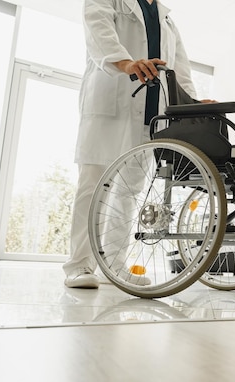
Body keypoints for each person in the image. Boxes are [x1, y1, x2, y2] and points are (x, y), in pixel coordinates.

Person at [63, 0, 200, 289]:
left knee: (129, 191)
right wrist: (126, 63)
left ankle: (114, 265)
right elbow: (99, 33)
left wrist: (195, 104)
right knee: (92, 185)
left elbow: (181, 69)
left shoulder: (166, 19)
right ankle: (79, 264)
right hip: (110, 103)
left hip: (150, 113)